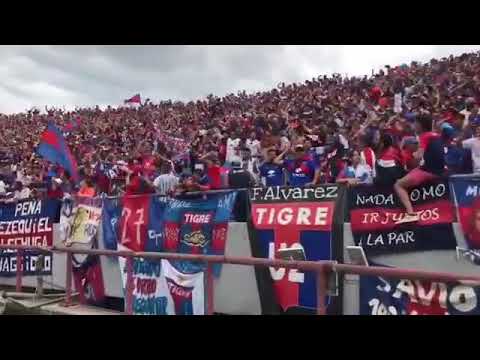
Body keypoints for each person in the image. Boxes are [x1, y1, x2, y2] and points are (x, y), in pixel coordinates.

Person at [394, 114, 445, 224]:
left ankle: (410, 214)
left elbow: (418, 156)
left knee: (398, 184)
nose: (414, 126)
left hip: (429, 171)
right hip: (439, 169)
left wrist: (406, 152)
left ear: (421, 125)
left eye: (415, 123)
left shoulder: (424, 136)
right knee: (411, 173)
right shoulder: (436, 134)